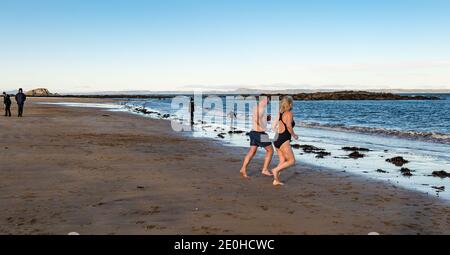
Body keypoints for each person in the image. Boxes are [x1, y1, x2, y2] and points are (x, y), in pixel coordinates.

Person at [239, 95, 274, 178]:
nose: (269, 102)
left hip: (253, 132)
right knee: (270, 151)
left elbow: (258, 118)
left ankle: (243, 168)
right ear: (264, 100)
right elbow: (257, 120)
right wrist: (263, 124)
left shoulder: (257, 107)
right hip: (260, 133)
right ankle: (265, 169)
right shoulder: (261, 109)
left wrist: (266, 118)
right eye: (268, 100)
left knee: (252, 152)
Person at [271, 96, 298, 186]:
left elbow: (273, 127)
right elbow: (289, 126)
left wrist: (279, 132)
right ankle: (275, 170)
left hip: (277, 139)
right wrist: (294, 135)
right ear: (290, 104)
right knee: (291, 161)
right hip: (283, 140)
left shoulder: (280, 114)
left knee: (282, 160)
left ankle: (276, 180)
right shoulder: (289, 114)